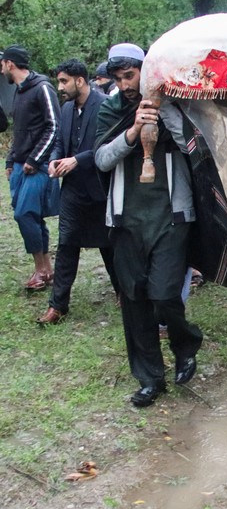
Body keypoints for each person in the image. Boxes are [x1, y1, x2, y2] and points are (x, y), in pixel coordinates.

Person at [94, 43, 203, 407]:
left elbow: (195, 148)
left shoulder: (176, 103)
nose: (126, 84)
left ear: (148, 71)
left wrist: (162, 110)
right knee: (136, 300)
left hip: (171, 217)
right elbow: (101, 159)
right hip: (127, 220)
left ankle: (186, 346)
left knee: (164, 294)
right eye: (119, 78)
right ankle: (150, 379)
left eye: (132, 75)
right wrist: (132, 131)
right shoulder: (110, 109)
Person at [37, 59, 119, 324]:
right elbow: (61, 141)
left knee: (109, 244)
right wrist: (56, 159)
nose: (60, 87)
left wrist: (77, 160)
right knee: (67, 243)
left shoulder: (105, 104)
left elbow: (107, 144)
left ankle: (124, 292)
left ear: (79, 81)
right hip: (72, 189)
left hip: (98, 186)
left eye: (64, 81)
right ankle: (58, 305)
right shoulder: (67, 107)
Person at [2, 44, 61, 291]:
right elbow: (20, 131)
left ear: (10, 64)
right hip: (19, 165)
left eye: (2, 63)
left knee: (24, 213)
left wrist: (34, 159)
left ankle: (41, 268)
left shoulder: (43, 88)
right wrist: (10, 160)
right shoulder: (18, 90)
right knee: (29, 215)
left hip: (36, 165)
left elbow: (54, 126)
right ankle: (46, 269)